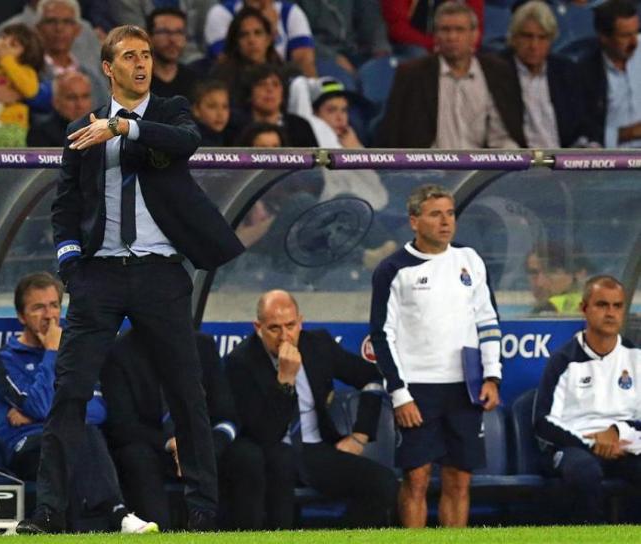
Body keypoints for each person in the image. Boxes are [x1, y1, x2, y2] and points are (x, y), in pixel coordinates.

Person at [15, 24, 244, 535]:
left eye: (146, 55)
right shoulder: (80, 130)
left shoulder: (169, 111)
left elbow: (187, 142)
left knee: (186, 393)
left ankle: (202, 512)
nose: (142, 64)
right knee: (70, 392)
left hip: (160, 273)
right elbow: (65, 207)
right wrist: (71, 267)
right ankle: (49, 512)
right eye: (130, 56)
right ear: (108, 67)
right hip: (98, 276)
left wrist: (122, 129)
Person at [369, 183, 502, 528]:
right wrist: (400, 394)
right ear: (414, 221)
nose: (446, 222)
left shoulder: (470, 259)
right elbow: (382, 335)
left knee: (459, 480)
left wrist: (491, 376)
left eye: (450, 214)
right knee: (416, 478)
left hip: (465, 387)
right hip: (418, 389)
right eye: (435, 215)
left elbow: (487, 320)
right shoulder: (393, 269)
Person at [0, 272, 157, 534]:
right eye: (38, 307)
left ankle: (104, 520)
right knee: (76, 434)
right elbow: (38, 405)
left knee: (81, 432)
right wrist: (52, 351)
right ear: (22, 316)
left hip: (75, 438)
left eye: (54, 305)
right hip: (29, 445)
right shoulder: (4, 360)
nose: (49, 315)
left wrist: (40, 413)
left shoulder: (79, 352)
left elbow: (98, 409)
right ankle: (118, 515)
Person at [226, 289, 397, 529]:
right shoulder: (241, 361)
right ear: (258, 327)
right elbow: (264, 432)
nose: (284, 336)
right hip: (271, 452)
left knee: (384, 483)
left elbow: (371, 377)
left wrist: (360, 435)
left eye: (290, 326)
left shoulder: (318, 344)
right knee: (280, 465)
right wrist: (285, 380)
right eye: (274, 328)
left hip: (316, 450)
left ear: (300, 322)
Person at [101, 329, 266, 530]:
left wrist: (205, 448)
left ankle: (245, 536)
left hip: (203, 445)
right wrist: (171, 443)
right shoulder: (119, 351)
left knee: (247, 456)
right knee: (135, 457)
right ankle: (158, 535)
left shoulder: (202, 345)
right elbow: (121, 426)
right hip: (154, 446)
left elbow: (227, 416)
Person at [534, 275, 641, 522]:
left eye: (617, 306)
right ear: (584, 309)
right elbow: (542, 422)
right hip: (575, 447)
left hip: (624, 444)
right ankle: (592, 537)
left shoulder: (636, 359)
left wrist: (616, 432)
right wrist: (592, 443)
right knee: (584, 473)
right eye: (602, 305)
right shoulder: (563, 360)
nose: (611, 313)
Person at [376, 1, 525, 149]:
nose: (452, 37)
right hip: (430, 162)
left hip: (481, 162)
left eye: (460, 30)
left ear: (474, 35)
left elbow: (501, 136)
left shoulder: (496, 73)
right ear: (436, 36)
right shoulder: (411, 75)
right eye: (445, 30)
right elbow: (393, 134)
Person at [505, 1, 588, 148]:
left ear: (551, 41)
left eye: (542, 38)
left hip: (561, 158)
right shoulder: (497, 72)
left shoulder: (565, 71)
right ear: (514, 38)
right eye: (527, 36)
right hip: (520, 159)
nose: (534, 45)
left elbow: (581, 125)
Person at [578, 0, 641, 147]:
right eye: (625, 36)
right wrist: (628, 133)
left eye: (636, 32)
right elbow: (584, 132)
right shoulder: (586, 73)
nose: (634, 42)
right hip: (615, 154)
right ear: (604, 37)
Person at [205, 0, 316, 76]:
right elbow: (225, 62)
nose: (252, 40)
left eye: (258, 33)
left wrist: (320, 91)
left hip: (280, 84)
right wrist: (270, 28)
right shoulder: (221, 13)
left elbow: (305, 62)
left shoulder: (290, 12)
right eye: (244, 34)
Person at [35, 0, 109, 107]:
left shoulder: (92, 78)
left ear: (77, 30)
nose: (59, 28)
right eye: (51, 21)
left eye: (67, 22)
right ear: (38, 28)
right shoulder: (29, 74)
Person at [296, 0, 391, 75]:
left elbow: (371, 19)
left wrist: (380, 49)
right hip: (320, 55)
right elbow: (298, 37)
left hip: (357, 51)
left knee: (387, 74)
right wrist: (333, 57)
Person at [243, 63, 318, 147]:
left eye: (275, 84)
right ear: (249, 93)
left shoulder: (300, 126)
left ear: (283, 93)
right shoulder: (238, 126)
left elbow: (315, 155)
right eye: (262, 84)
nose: (269, 89)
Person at [381, 0, 483, 56]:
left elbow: (475, 25)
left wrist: (467, 45)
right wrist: (435, 44)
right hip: (412, 44)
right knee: (420, 56)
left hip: (452, 42)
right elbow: (398, 28)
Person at [147, 7, 201, 100]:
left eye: (179, 32)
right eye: (164, 32)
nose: (173, 39)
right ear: (149, 37)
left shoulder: (195, 83)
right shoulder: (135, 81)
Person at [27, 71, 92, 147]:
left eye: (85, 96)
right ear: (56, 102)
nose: (80, 105)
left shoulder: (100, 128)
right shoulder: (40, 133)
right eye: (71, 98)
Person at [525, 243, 589, 315]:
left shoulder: (547, 309)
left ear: (579, 274)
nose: (540, 283)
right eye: (533, 273)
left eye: (550, 272)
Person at [191, 79, 234, 145]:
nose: (220, 114)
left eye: (225, 106)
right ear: (196, 110)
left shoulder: (230, 136)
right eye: (212, 106)